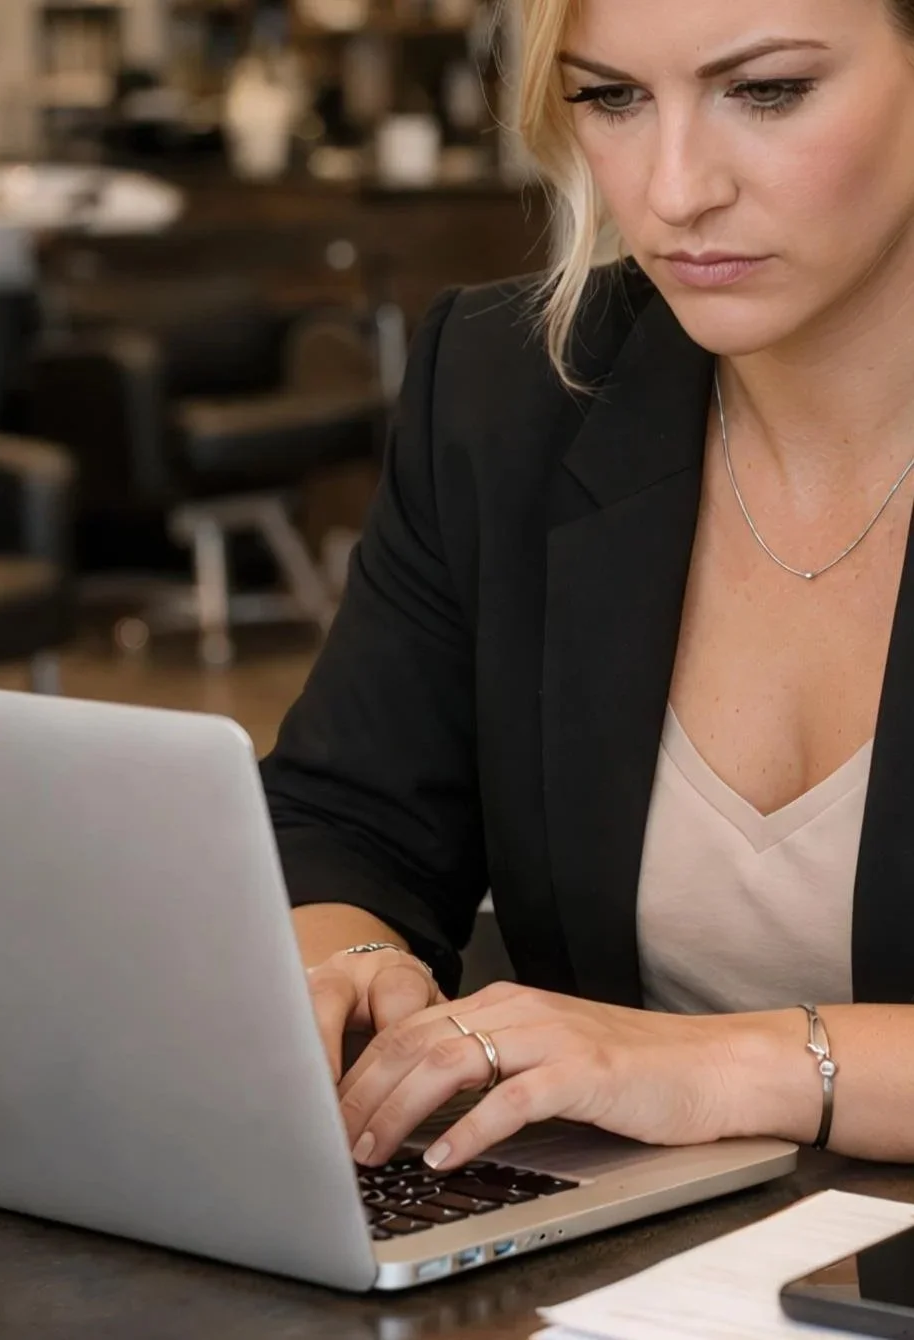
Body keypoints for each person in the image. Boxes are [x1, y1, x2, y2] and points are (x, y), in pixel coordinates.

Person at [261, 0, 914, 1174]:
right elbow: (344, 823)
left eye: (763, 91)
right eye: (610, 97)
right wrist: (353, 968)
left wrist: (718, 1064)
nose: (671, 191)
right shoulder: (507, 392)